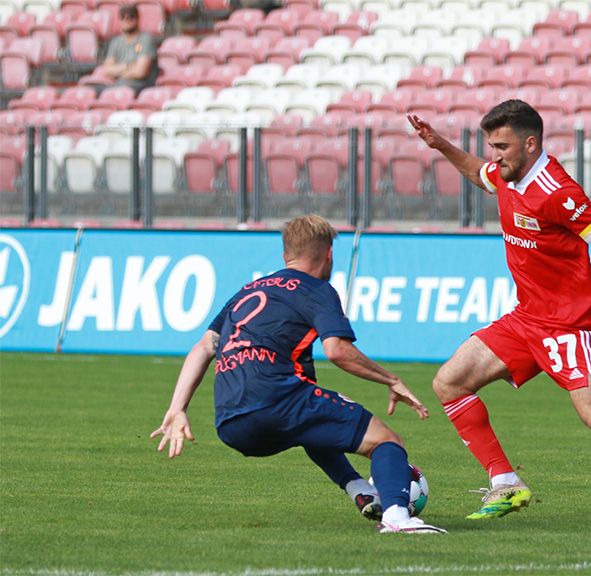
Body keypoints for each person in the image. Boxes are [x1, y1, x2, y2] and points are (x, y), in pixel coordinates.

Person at [408, 100, 591, 525]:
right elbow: (480, 175)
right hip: (525, 319)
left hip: (569, 326)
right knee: (449, 382)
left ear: (530, 144)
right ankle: (505, 481)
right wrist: (440, 145)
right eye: (492, 145)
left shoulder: (557, 192)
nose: (495, 155)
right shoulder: (507, 174)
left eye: (502, 146)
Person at [150, 215, 446, 534]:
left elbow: (204, 347)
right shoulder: (317, 289)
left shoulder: (246, 292)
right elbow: (337, 351)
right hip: (276, 399)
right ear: (329, 254)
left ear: (285, 256)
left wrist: (177, 408)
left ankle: (358, 488)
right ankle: (397, 518)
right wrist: (391, 379)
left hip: (230, 422)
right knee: (386, 440)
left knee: (313, 425)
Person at [94, 4, 157, 93]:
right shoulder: (116, 42)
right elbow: (107, 69)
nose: (127, 20)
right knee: (91, 90)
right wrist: (128, 66)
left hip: (140, 86)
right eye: (123, 17)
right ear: (119, 20)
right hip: (118, 85)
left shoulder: (146, 40)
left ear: (138, 18)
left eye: (131, 17)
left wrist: (117, 72)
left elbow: (140, 72)